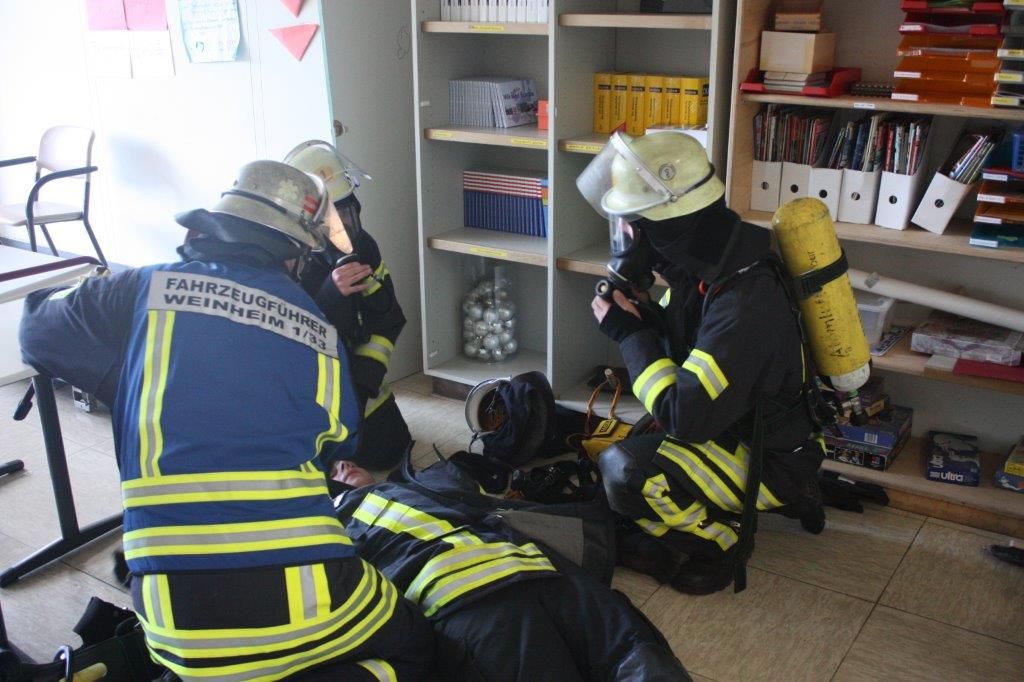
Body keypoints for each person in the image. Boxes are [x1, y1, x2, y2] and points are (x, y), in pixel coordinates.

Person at [18, 160, 434, 681]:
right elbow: (339, 444)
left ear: (199, 231)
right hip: (318, 597)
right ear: (295, 258)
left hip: (176, 632)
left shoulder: (139, 292)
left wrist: (124, 377)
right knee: (417, 649)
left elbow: (34, 330)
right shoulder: (319, 334)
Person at [575, 130, 826, 595]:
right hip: (744, 429)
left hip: (767, 458)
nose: (626, 238)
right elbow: (685, 351)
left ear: (665, 227)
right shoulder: (710, 271)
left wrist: (630, 335)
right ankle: (770, 494)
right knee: (636, 445)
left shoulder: (743, 302)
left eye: (632, 224)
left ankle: (721, 541)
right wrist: (646, 316)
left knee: (626, 471)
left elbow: (684, 417)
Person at [332, 458, 691, 682]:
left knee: (633, 649)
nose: (343, 466)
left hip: (537, 571)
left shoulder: (415, 483)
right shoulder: (327, 531)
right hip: (473, 606)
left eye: (345, 462)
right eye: (333, 472)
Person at [284, 140, 412, 472]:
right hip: (308, 391)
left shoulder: (364, 246)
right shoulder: (287, 258)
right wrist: (329, 295)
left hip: (360, 382)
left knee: (390, 451)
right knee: (320, 467)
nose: (340, 223)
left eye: (344, 209)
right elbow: (287, 339)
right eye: (328, 214)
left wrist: (364, 383)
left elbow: (389, 319)